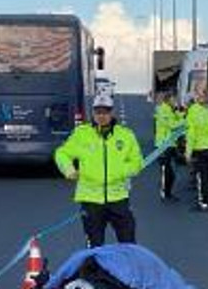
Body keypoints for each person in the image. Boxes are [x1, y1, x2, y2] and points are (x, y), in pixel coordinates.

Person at [54, 93, 144, 247]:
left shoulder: (126, 135)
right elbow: (61, 153)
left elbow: (137, 163)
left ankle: (127, 271)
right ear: (93, 113)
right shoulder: (82, 134)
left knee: (129, 244)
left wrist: (118, 171)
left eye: (106, 111)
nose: (102, 115)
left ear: (112, 112)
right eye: (98, 111)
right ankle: (95, 271)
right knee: (94, 247)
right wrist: (68, 169)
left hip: (118, 198)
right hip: (91, 200)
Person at [185, 88, 208, 211]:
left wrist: (188, 152)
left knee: (202, 177)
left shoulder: (192, 112)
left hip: (200, 149)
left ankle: (204, 202)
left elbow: (191, 133)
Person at [154, 91, 184, 201]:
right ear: (168, 100)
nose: (175, 101)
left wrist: (181, 113)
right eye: (174, 99)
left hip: (171, 144)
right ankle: (164, 194)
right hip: (163, 145)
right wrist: (185, 120)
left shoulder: (170, 110)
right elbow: (173, 125)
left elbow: (177, 118)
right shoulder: (163, 110)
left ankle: (168, 193)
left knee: (171, 174)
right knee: (166, 172)